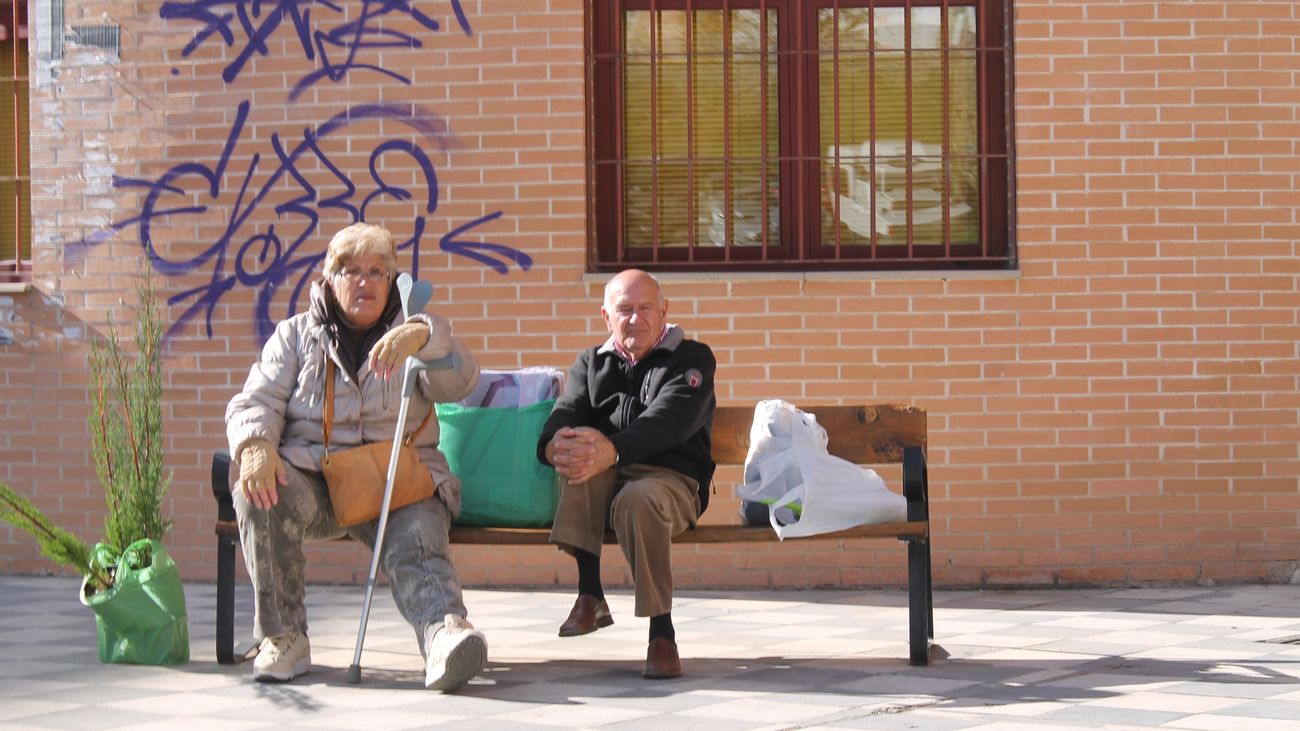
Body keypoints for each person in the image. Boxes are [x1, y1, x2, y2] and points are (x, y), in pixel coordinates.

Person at [226, 222, 486, 691]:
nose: (363, 282)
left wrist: (425, 336)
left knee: (417, 539)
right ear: (330, 279)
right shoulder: (294, 336)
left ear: (391, 280)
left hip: (399, 481)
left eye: (376, 271)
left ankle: (445, 636)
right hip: (318, 482)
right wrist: (255, 447)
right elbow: (254, 402)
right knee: (260, 493)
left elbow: (463, 380)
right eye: (350, 271)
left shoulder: (413, 332)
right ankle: (284, 638)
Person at [537, 269, 716, 679]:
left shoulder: (692, 358)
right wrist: (551, 445)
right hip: (604, 475)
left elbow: (670, 420)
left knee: (637, 496)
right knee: (578, 451)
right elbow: (566, 410)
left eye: (645, 308)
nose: (635, 318)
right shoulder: (590, 362)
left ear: (663, 311)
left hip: (671, 481)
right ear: (606, 316)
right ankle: (590, 594)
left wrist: (613, 449)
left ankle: (661, 633)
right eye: (624, 310)